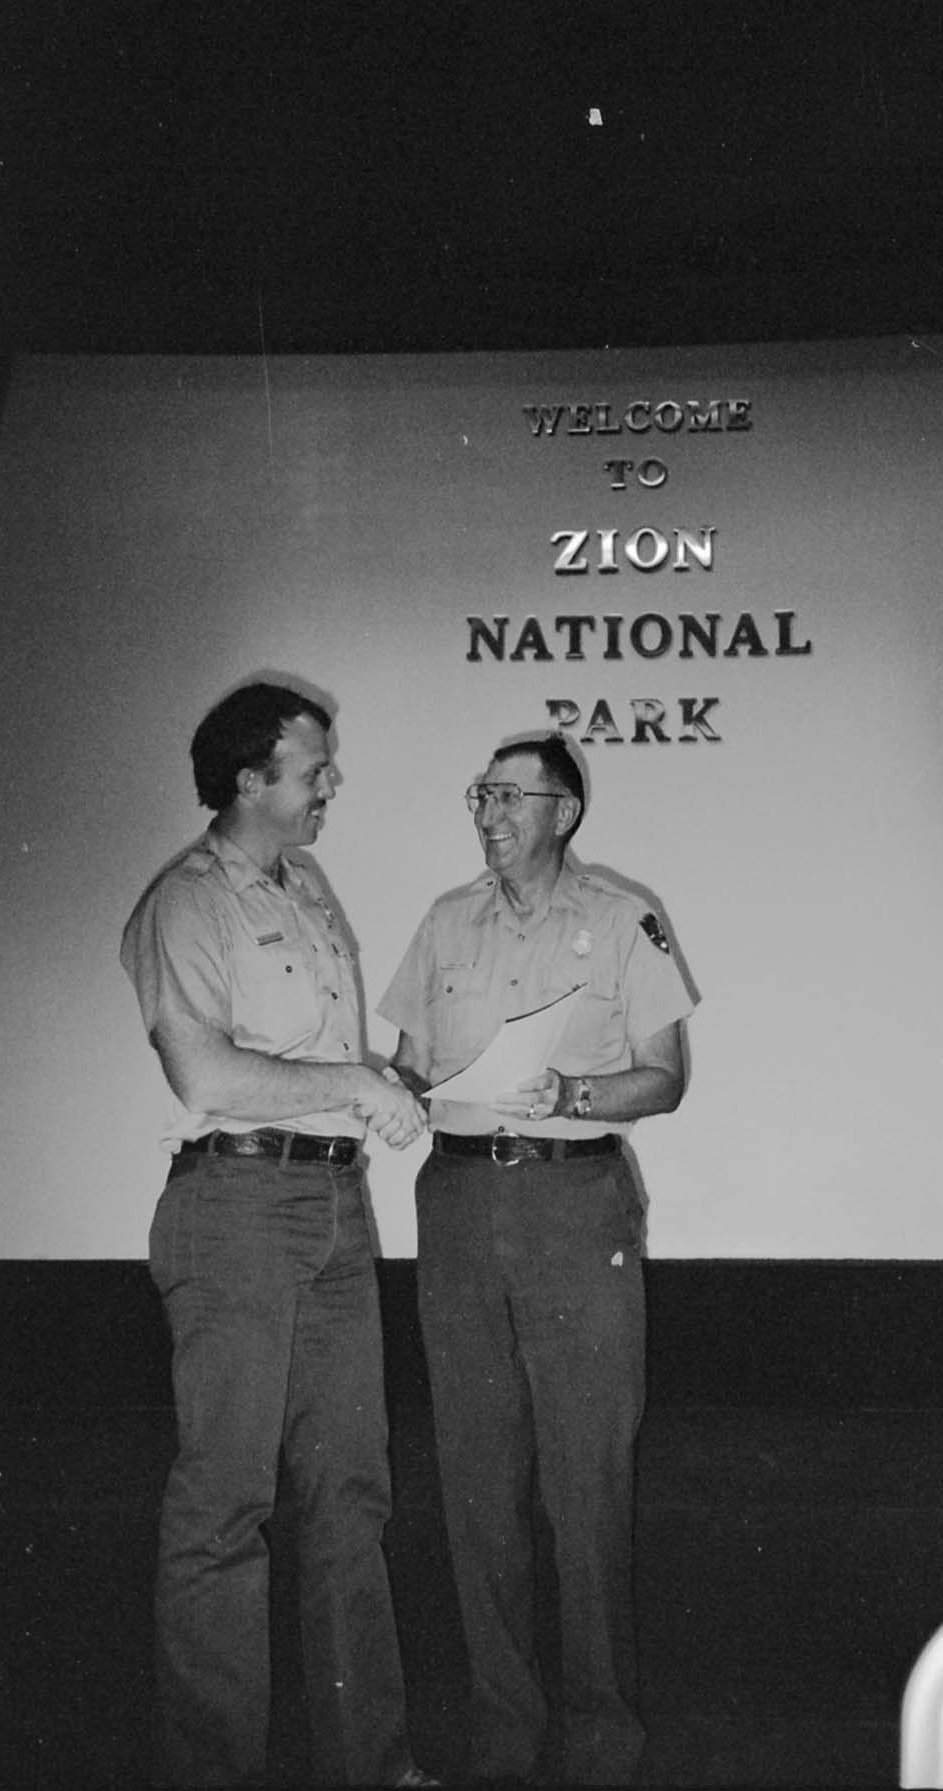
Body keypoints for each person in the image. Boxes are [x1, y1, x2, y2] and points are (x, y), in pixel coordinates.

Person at [120, 681, 437, 1789]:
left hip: (336, 1210)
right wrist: (354, 1077)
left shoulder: (304, 887)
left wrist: (383, 1083)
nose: (331, 783)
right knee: (227, 1505)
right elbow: (204, 1072)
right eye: (314, 767)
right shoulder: (185, 906)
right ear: (249, 780)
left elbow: (314, 1060)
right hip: (237, 1212)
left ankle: (373, 1764)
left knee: (353, 1494)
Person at [378, 733, 696, 1786]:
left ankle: (601, 1734)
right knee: (476, 1479)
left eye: (512, 797)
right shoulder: (442, 922)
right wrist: (381, 1092)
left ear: (565, 812)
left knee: (585, 1480)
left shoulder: (620, 918)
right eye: (481, 794)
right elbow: (411, 1064)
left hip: (573, 1206)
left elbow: (663, 1077)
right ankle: (503, 1731)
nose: (490, 812)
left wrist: (570, 1096)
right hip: (461, 1206)